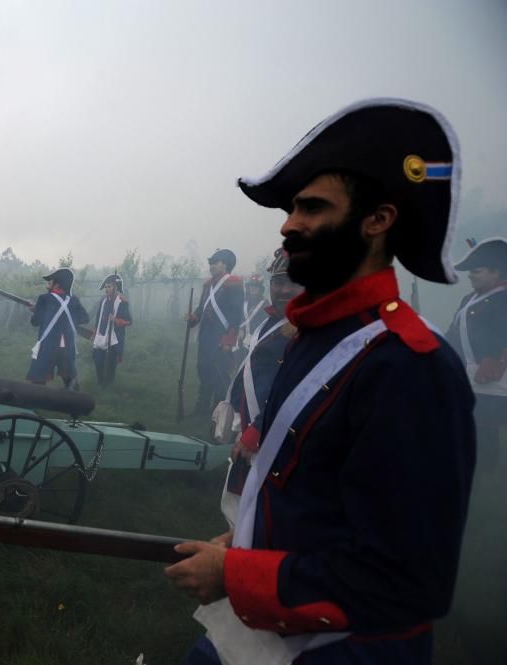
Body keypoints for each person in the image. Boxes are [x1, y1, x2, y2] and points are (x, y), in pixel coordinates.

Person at [167, 99, 475, 665]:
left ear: (377, 220)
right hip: (267, 629)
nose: (288, 224)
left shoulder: (410, 365)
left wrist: (240, 573)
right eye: (290, 209)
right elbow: (313, 493)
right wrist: (244, 545)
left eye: (311, 207)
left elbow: (405, 580)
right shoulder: (315, 337)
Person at [217, 249, 302, 524]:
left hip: (274, 436)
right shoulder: (272, 322)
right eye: (278, 282)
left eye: (293, 282)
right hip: (257, 425)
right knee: (240, 507)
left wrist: (255, 431)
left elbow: (294, 391)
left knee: (259, 513)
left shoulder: (304, 331)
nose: (284, 289)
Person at [446, 237, 506, 475]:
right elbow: (453, 333)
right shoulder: (467, 300)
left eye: (477, 271)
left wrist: (499, 357)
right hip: (467, 376)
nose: (470, 276)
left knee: (488, 429)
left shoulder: (504, 299)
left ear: (496, 273)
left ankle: (490, 476)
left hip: (493, 378)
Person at [188, 249, 244, 417]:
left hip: (222, 336)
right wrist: (193, 318)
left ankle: (218, 413)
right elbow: (202, 308)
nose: (212, 266)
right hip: (206, 335)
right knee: (203, 369)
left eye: (216, 262)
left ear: (225, 264)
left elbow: (236, 314)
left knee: (219, 374)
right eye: (211, 263)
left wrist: (229, 340)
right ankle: (202, 408)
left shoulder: (234, 284)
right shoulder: (208, 285)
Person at [26, 267, 90, 389]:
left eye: (51, 281)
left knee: (38, 380)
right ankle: (76, 402)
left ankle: (35, 404)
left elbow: (36, 322)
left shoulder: (44, 298)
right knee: (70, 379)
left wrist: (35, 311)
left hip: (48, 345)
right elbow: (84, 318)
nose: (48, 283)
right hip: (67, 346)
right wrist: (66, 318)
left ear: (58, 284)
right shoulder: (74, 300)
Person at [91, 273, 132, 387]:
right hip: (101, 337)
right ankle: (100, 384)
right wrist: (95, 332)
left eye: (109, 286)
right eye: (106, 287)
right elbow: (98, 318)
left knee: (110, 365)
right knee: (98, 361)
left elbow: (128, 321)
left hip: (114, 339)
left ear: (116, 287)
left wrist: (116, 320)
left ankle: (109, 387)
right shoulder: (103, 301)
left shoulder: (122, 302)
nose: (106, 289)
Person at [236, 274, 269, 362]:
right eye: (251, 285)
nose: (253, 288)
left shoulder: (265, 304)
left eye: (256, 286)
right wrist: (240, 329)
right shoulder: (244, 301)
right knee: (239, 366)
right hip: (241, 339)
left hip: (256, 341)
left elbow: (265, 323)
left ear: (260, 289)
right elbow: (239, 318)